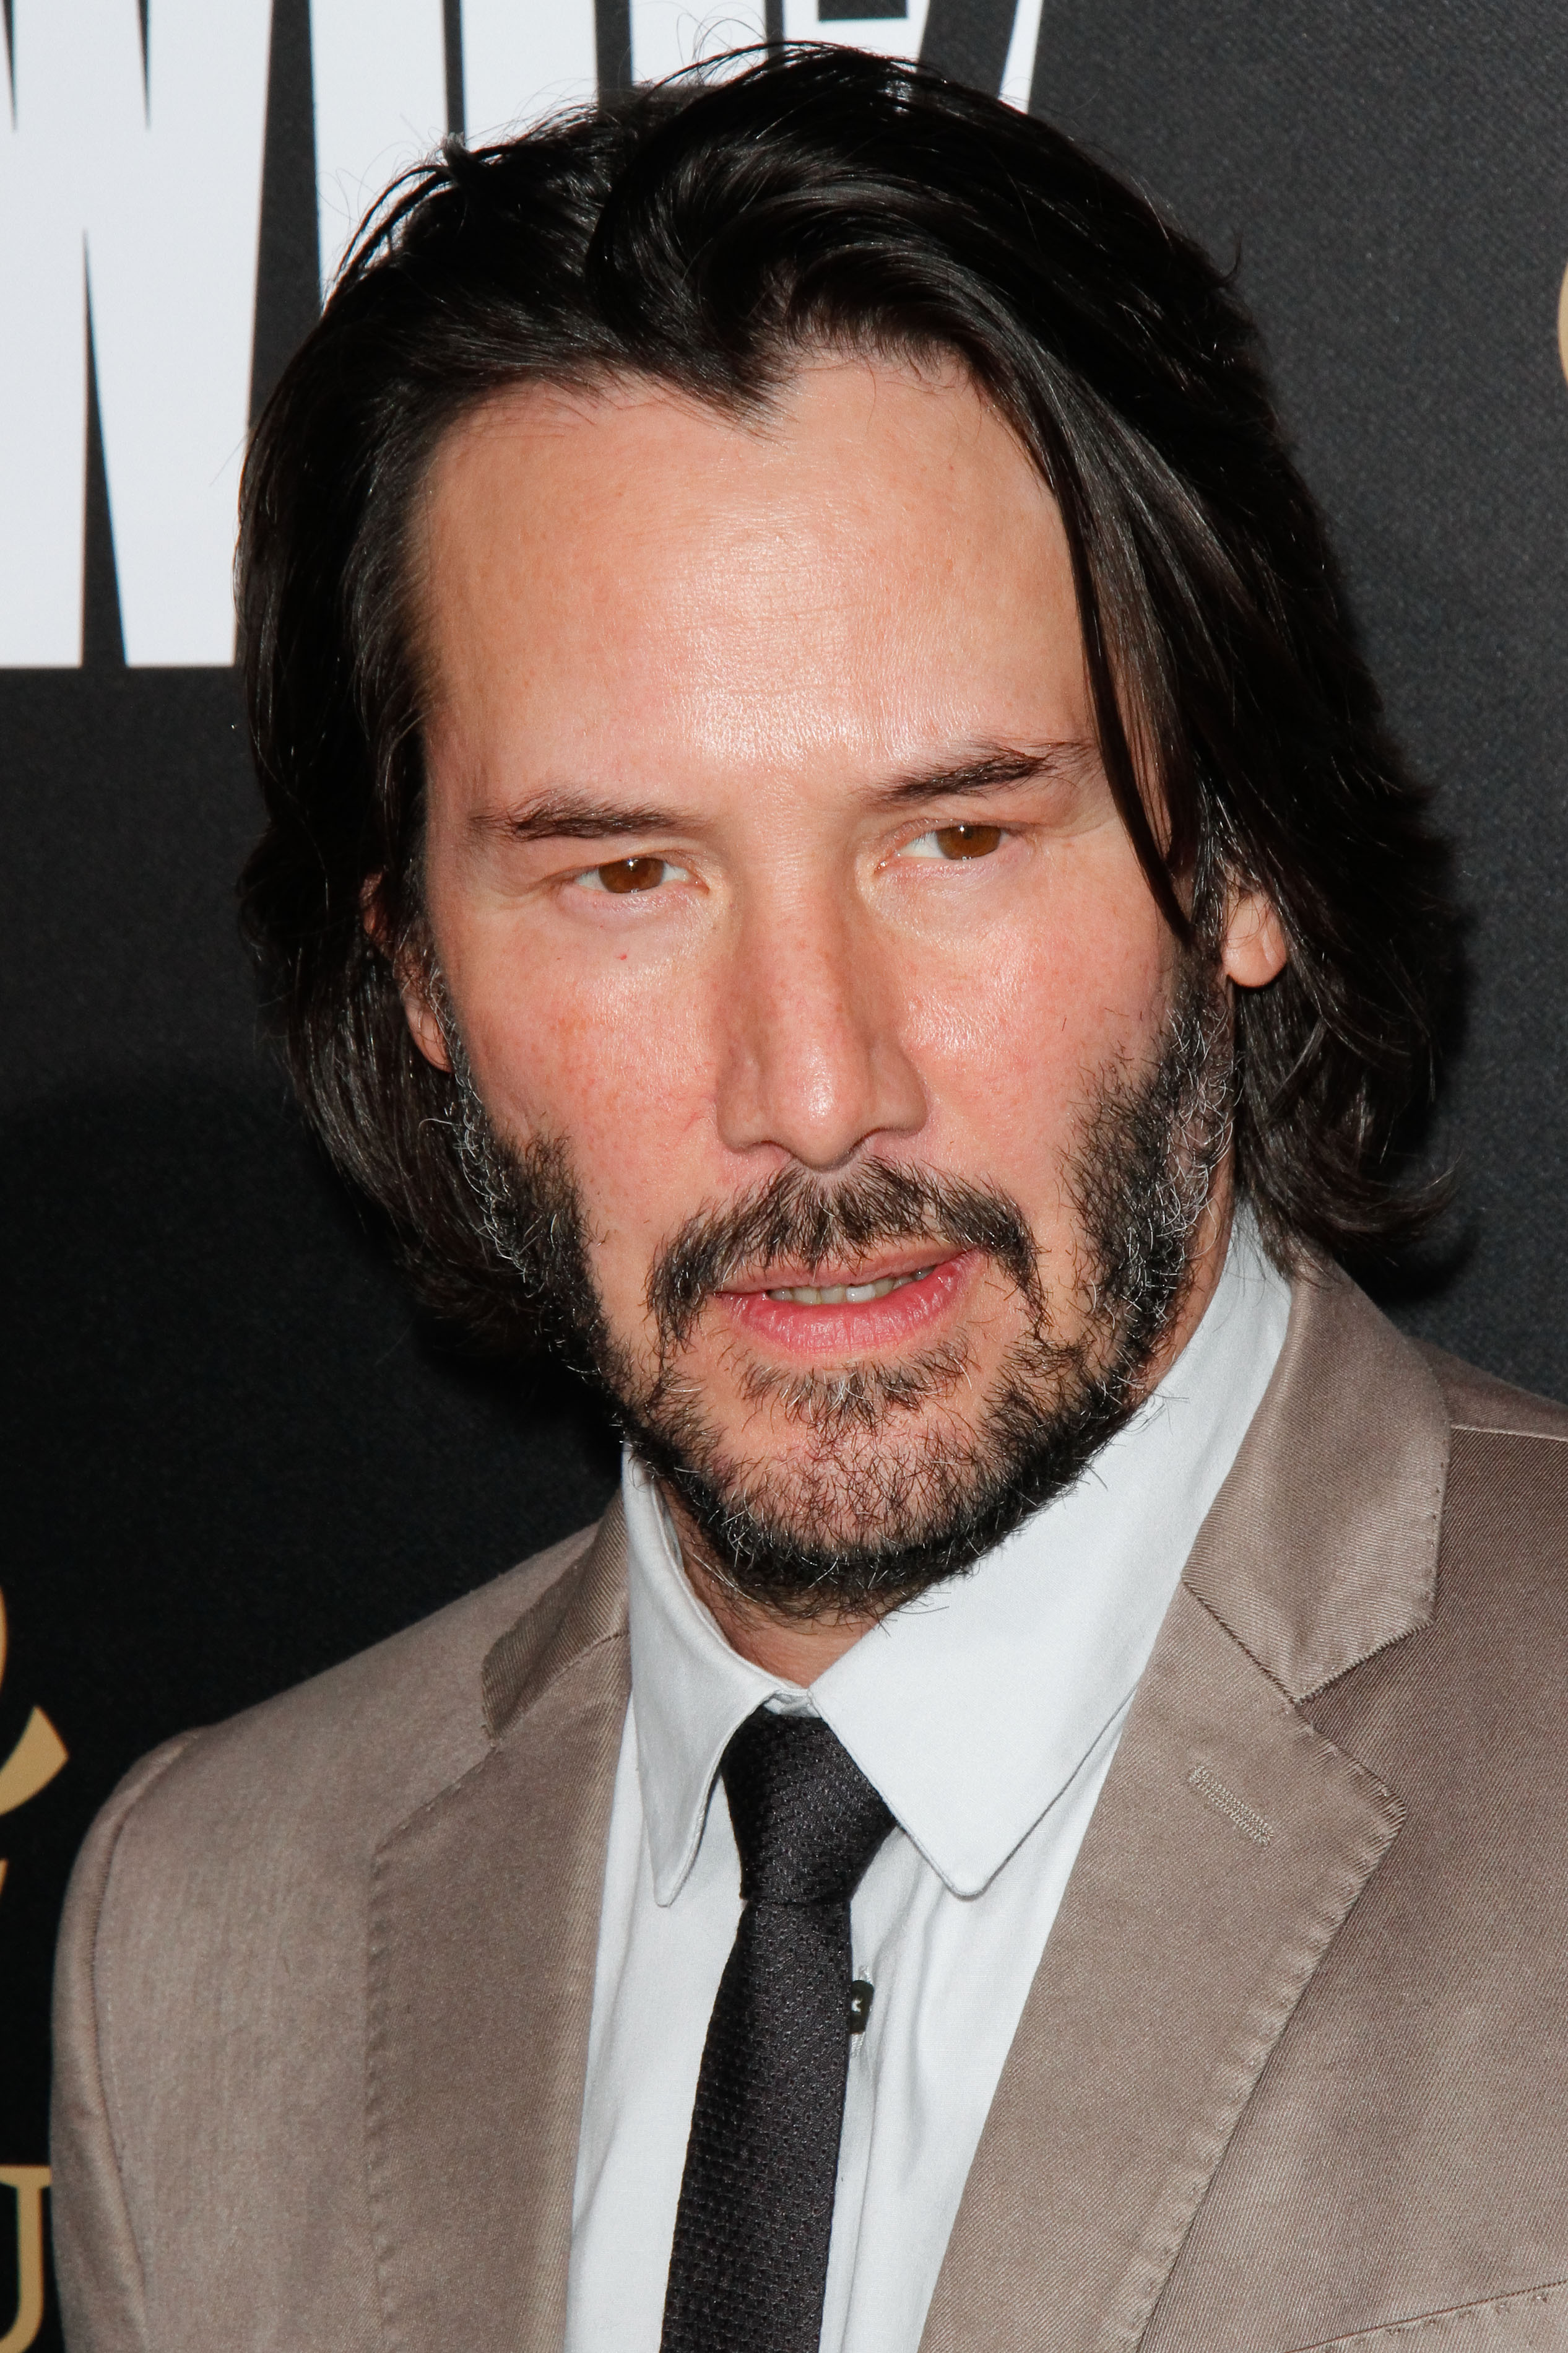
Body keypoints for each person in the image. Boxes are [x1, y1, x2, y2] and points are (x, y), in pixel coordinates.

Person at [50, 45, 1568, 2353]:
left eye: (956, 838)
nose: (815, 1092)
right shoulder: (203, 1938)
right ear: (419, 973)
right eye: (626, 876)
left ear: (1243, 862)